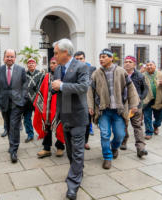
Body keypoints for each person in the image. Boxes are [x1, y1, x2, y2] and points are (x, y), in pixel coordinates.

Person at [87, 49, 139, 170]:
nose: (101, 59)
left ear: (111, 58)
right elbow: (90, 91)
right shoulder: (96, 73)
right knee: (105, 135)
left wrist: (134, 104)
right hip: (103, 111)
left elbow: (131, 88)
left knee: (120, 135)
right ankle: (107, 157)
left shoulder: (121, 71)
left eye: (104, 57)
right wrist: (90, 106)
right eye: (100, 57)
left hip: (119, 111)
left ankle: (114, 147)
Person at [51, 39, 89, 200]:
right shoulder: (58, 69)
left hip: (78, 116)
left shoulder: (81, 67)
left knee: (78, 151)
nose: (54, 56)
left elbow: (83, 87)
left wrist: (61, 86)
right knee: (71, 151)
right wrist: (53, 87)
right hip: (65, 114)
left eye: (56, 53)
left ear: (66, 53)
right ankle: (77, 170)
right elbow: (57, 88)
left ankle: (73, 185)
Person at [0, 49, 28, 163]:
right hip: (4, 102)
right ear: (4, 57)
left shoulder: (21, 70)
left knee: (14, 125)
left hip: (17, 103)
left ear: (15, 58)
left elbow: (25, 84)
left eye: (12, 56)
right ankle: (11, 144)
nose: (9, 58)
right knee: (8, 125)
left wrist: (23, 98)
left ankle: (14, 150)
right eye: (7, 56)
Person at [34, 57, 65, 158]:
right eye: (51, 63)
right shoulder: (47, 76)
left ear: (59, 64)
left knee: (60, 125)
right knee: (47, 126)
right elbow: (42, 89)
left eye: (54, 63)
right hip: (47, 107)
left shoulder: (64, 76)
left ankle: (60, 147)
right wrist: (40, 103)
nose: (51, 65)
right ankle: (46, 148)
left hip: (59, 106)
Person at [120, 56, 148, 158]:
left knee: (137, 126)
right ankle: (123, 141)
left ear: (134, 64)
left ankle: (141, 148)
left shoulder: (140, 76)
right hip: (123, 106)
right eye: (126, 62)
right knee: (123, 125)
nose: (127, 63)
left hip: (136, 106)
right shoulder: (120, 74)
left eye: (130, 62)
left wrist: (139, 98)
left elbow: (145, 89)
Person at [143, 61, 162, 140]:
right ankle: (149, 132)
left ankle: (156, 125)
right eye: (147, 65)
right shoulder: (142, 75)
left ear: (155, 66)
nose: (149, 67)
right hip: (147, 100)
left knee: (160, 116)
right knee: (147, 117)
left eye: (151, 65)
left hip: (160, 100)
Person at [74, 51, 96, 150]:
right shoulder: (70, 70)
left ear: (84, 59)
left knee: (87, 123)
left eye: (81, 58)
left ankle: (85, 142)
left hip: (87, 101)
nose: (79, 61)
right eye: (77, 59)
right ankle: (74, 141)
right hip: (74, 101)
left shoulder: (92, 69)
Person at [23, 58, 44, 143]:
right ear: (27, 65)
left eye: (33, 63)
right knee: (27, 119)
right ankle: (30, 135)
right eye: (29, 63)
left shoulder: (41, 74)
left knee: (40, 118)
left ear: (35, 65)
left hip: (38, 99)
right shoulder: (23, 75)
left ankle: (41, 133)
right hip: (27, 101)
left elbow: (44, 87)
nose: (31, 64)